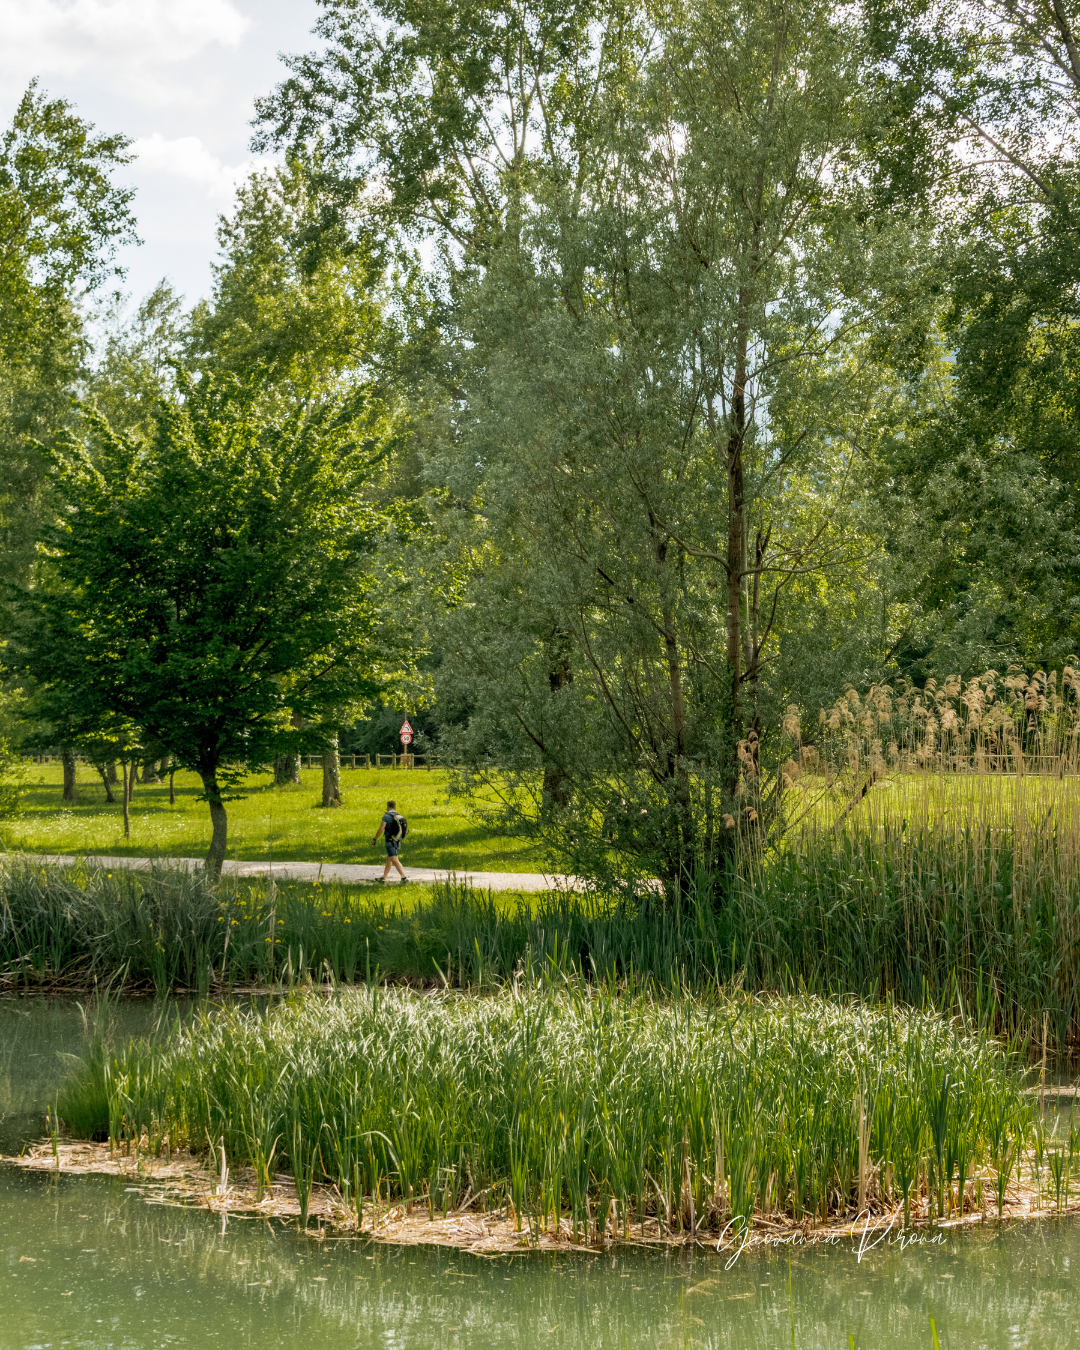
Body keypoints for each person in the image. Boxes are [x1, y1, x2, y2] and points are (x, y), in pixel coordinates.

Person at [372, 799, 408, 883]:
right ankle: (383, 877)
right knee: (389, 859)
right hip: (397, 840)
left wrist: (375, 839)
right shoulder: (398, 816)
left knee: (393, 858)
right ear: (394, 807)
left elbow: (381, 828)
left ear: (388, 807)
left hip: (389, 840)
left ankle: (404, 877)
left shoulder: (386, 816)